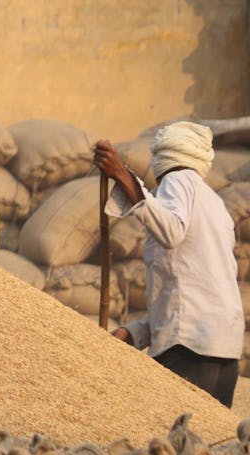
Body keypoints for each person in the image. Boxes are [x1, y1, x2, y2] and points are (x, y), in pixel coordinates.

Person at [93, 122, 243, 408]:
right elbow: (193, 290)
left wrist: (122, 175)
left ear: (165, 157)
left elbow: (170, 231)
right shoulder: (215, 204)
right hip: (223, 351)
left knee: (169, 443)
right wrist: (135, 333)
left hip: (189, 351)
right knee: (206, 447)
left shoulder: (178, 180)